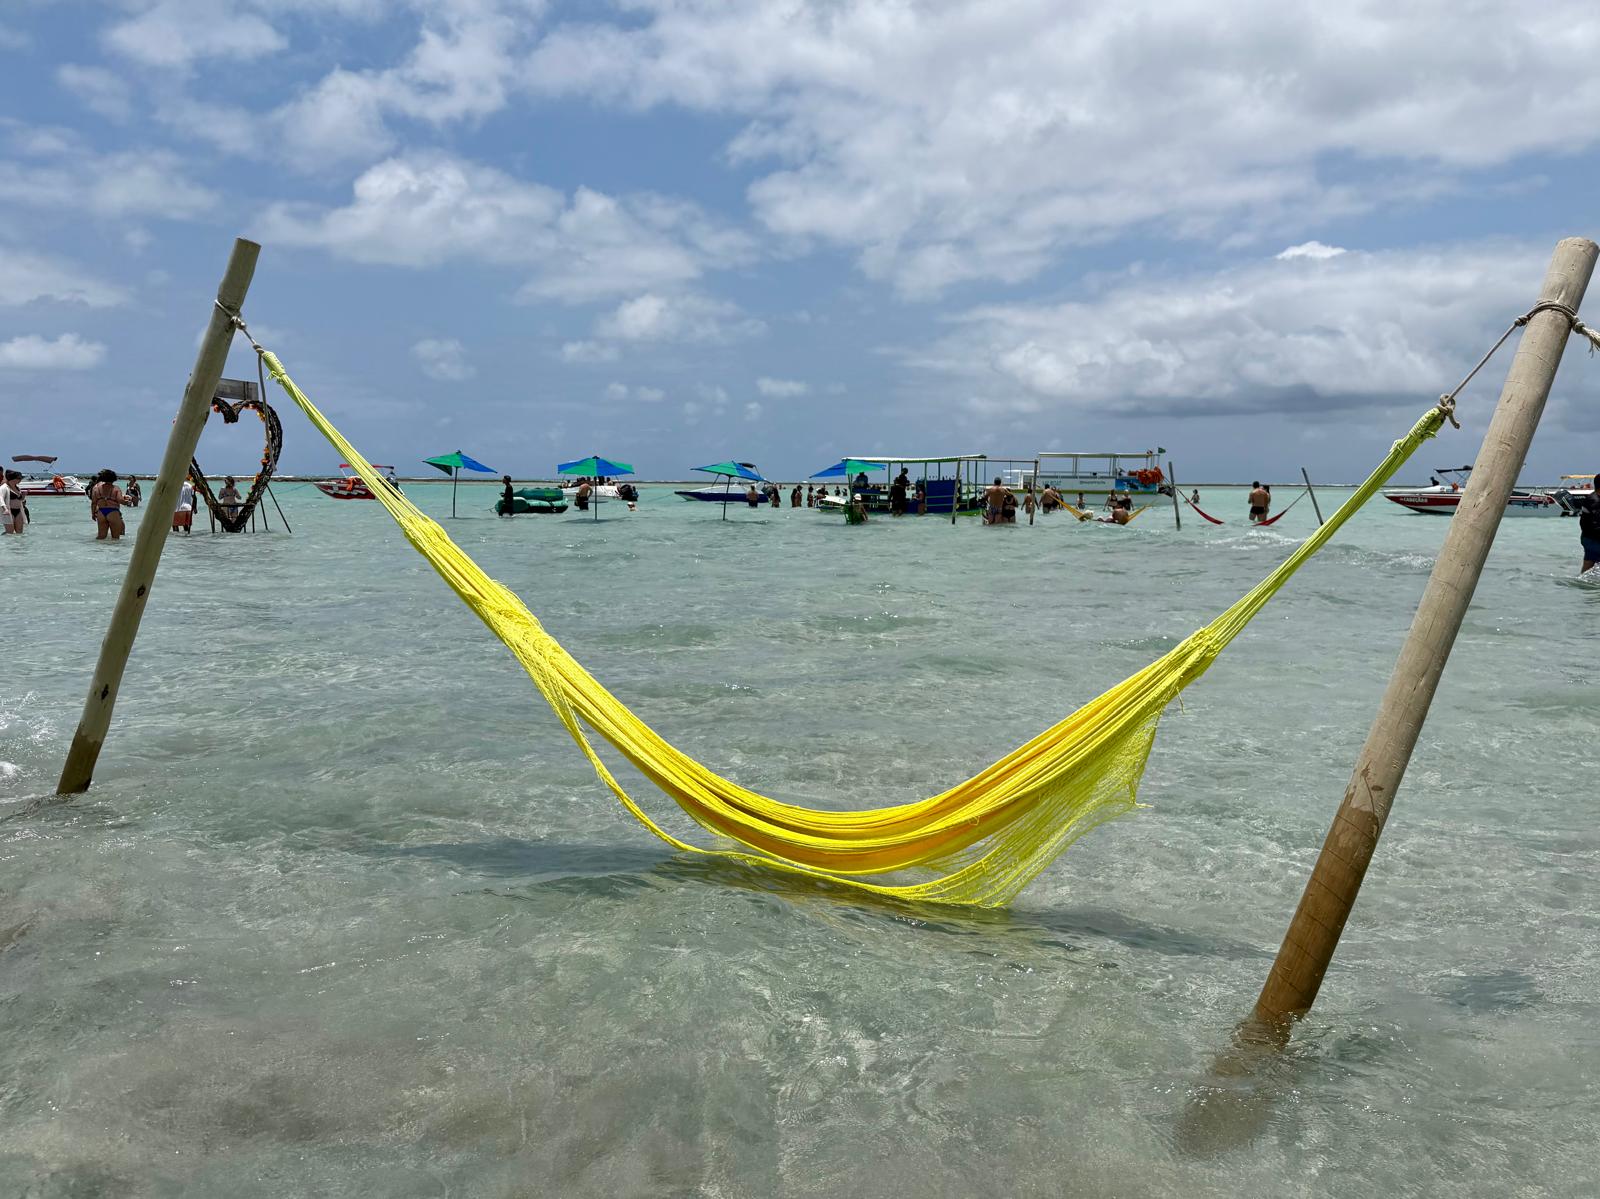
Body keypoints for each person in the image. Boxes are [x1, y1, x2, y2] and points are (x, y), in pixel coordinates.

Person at [1564, 472, 1600, 573]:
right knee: (1591, 564)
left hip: (1588, 538)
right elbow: (1595, 524)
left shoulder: (1592, 497)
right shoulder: (1595, 501)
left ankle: (1583, 582)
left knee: (1589, 565)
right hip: (1594, 539)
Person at [90, 469, 127, 540]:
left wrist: (93, 514)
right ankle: (114, 551)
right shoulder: (116, 488)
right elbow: (120, 500)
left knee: (101, 537)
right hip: (113, 512)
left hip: (101, 512)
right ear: (113, 478)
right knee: (115, 538)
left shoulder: (96, 489)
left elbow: (94, 503)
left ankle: (96, 550)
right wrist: (127, 502)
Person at [1, 470, 26, 534]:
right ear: (13, 479)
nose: (20, 480)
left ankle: (19, 544)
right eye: (19, 478)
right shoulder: (3, 487)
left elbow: (20, 500)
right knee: (10, 533)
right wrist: (5, 509)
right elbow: (0, 498)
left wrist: (23, 496)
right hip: (9, 511)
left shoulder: (17, 487)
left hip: (18, 511)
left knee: (19, 532)